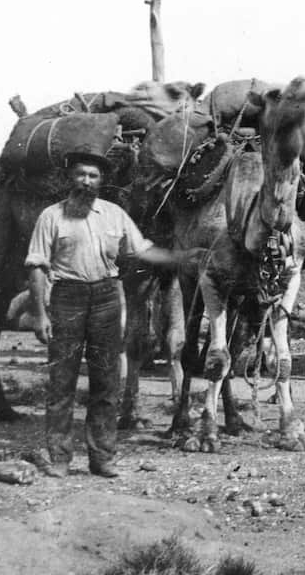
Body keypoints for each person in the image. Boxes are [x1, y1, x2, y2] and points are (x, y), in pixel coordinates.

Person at [26, 145, 199, 478]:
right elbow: (36, 265)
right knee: (62, 382)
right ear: (69, 178)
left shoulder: (115, 214)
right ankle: (60, 458)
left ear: (100, 181)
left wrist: (181, 257)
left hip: (107, 296)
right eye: (80, 174)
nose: (86, 181)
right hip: (67, 297)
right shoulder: (51, 216)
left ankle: (102, 457)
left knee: (106, 381)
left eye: (93, 176)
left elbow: (142, 249)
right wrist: (40, 314)